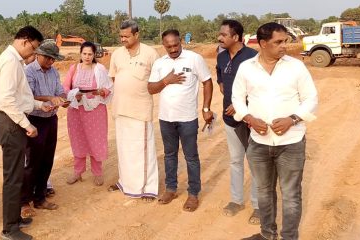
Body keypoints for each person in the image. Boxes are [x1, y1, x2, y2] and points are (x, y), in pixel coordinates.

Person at [233, 23, 318, 240]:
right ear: (262, 44)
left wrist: (292, 119)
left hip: (291, 142)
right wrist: (249, 118)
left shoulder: (296, 67)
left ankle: (289, 237)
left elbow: (311, 98)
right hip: (259, 144)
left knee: (291, 195)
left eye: (285, 41)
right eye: (278, 42)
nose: (284, 46)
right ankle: (267, 234)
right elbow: (237, 99)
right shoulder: (246, 68)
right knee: (263, 193)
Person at [0, 26, 54, 240]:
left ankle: (15, 219)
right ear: (26, 41)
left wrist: (38, 105)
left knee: (17, 175)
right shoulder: (10, 62)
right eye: (34, 48)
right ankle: (9, 229)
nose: (34, 54)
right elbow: (7, 100)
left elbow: (20, 97)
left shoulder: (14, 61)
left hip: (12, 121)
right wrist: (27, 124)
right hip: (10, 123)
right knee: (12, 179)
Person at [148, 29, 213, 212]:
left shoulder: (194, 59)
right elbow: (151, 89)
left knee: (191, 157)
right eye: (169, 46)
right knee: (169, 155)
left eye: (176, 45)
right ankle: (171, 189)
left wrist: (206, 108)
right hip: (166, 119)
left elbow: (207, 81)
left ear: (180, 42)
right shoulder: (160, 63)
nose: (173, 49)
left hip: (188, 119)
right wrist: (166, 81)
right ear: (164, 46)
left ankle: (193, 193)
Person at [108, 19, 159, 200]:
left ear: (137, 35)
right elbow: (115, 79)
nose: (123, 39)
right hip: (120, 109)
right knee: (124, 149)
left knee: (142, 151)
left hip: (140, 110)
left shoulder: (150, 53)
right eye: (121, 36)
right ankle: (125, 182)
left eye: (126, 36)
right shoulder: (116, 54)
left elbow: (157, 80)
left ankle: (147, 188)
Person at [216, 20, 260, 224]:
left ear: (236, 37)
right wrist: (227, 94)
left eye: (224, 35)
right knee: (235, 161)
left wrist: (241, 104)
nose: (220, 37)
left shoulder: (253, 58)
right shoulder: (222, 56)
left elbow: (261, 89)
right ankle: (236, 200)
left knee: (255, 163)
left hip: (251, 120)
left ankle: (259, 206)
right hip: (229, 119)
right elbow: (221, 81)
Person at [20, 40, 66, 218]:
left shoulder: (54, 71)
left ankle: (39, 197)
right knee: (31, 162)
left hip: (50, 120)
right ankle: (24, 201)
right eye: (48, 58)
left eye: (53, 59)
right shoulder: (28, 71)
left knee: (47, 160)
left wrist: (62, 99)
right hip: (34, 120)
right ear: (38, 54)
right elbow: (28, 96)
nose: (51, 62)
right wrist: (49, 98)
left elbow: (59, 91)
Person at [63, 41, 113, 187]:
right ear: (80, 54)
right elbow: (65, 86)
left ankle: (97, 173)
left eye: (90, 54)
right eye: (84, 53)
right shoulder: (74, 68)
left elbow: (109, 87)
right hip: (76, 110)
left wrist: (101, 91)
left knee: (95, 139)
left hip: (95, 110)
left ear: (94, 55)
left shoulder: (100, 69)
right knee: (78, 139)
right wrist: (73, 94)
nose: (87, 57)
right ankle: (78, 172)